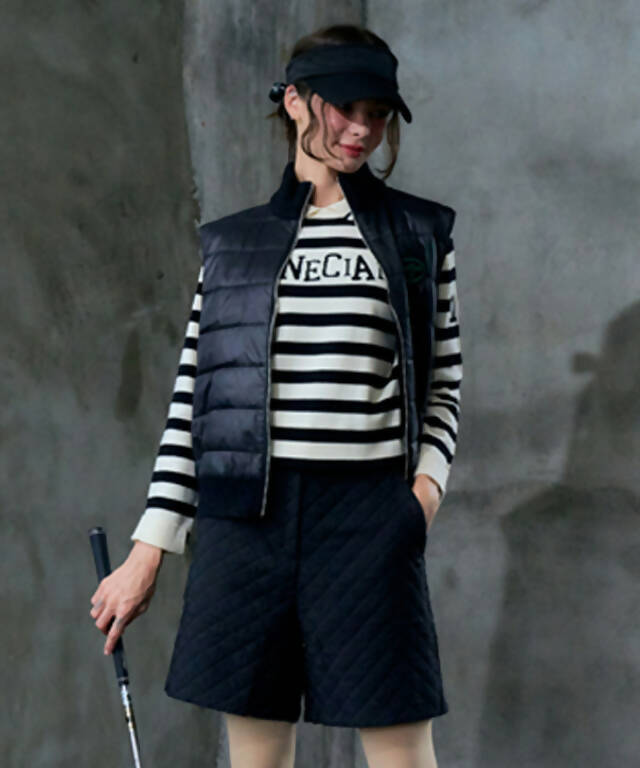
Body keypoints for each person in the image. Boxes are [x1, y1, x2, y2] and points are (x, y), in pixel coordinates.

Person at [90, 23, 462, 768]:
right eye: (345, 108)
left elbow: (443, 387)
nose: (362, 129)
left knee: (402, 750)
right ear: (295, 101)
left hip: (366, 522)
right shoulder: (234, 247)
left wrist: (419, 499)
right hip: (245, 525)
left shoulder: (418, 235)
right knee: (256, 758)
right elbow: (196, 407)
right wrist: (147, 550)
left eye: (378, 113)